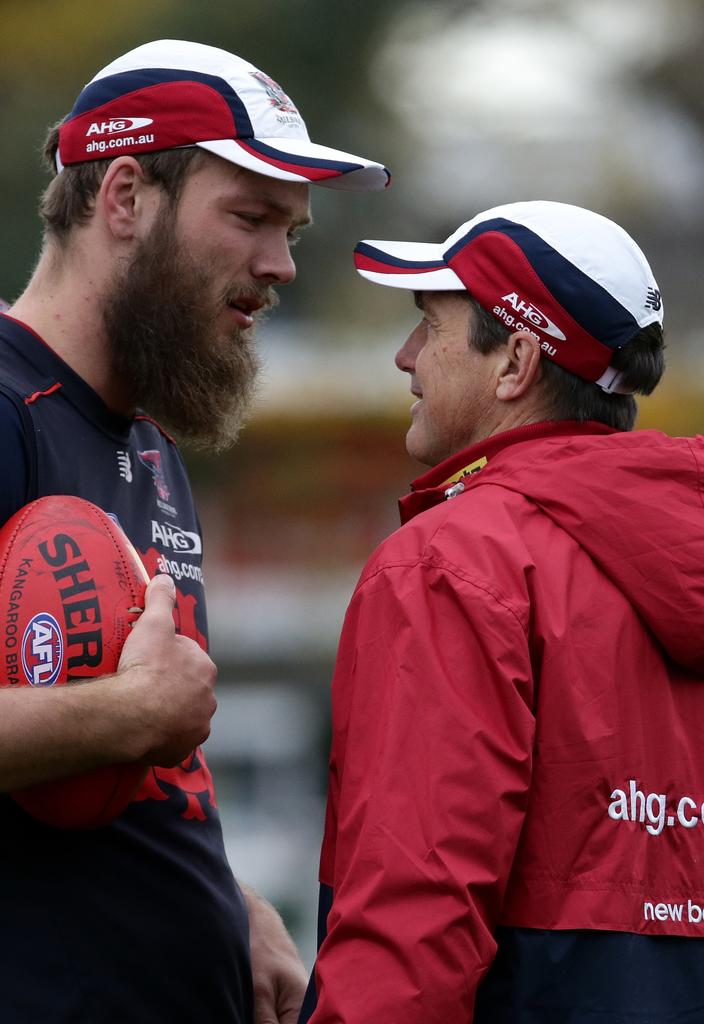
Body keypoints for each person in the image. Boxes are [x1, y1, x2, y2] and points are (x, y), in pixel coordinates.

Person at [0, 39, 389, 1023]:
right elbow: (136, 716)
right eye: (252, 218)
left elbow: (135, 776)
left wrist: (235, 908)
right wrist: (119, 713)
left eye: (293, 233)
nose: (280, 267)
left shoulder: (145, 440)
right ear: (127, 197)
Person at [300, 200, 704, 1023]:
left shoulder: (452, 563)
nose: (405, 356)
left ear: (515, 362)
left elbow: (410, 928)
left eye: (429, 326)